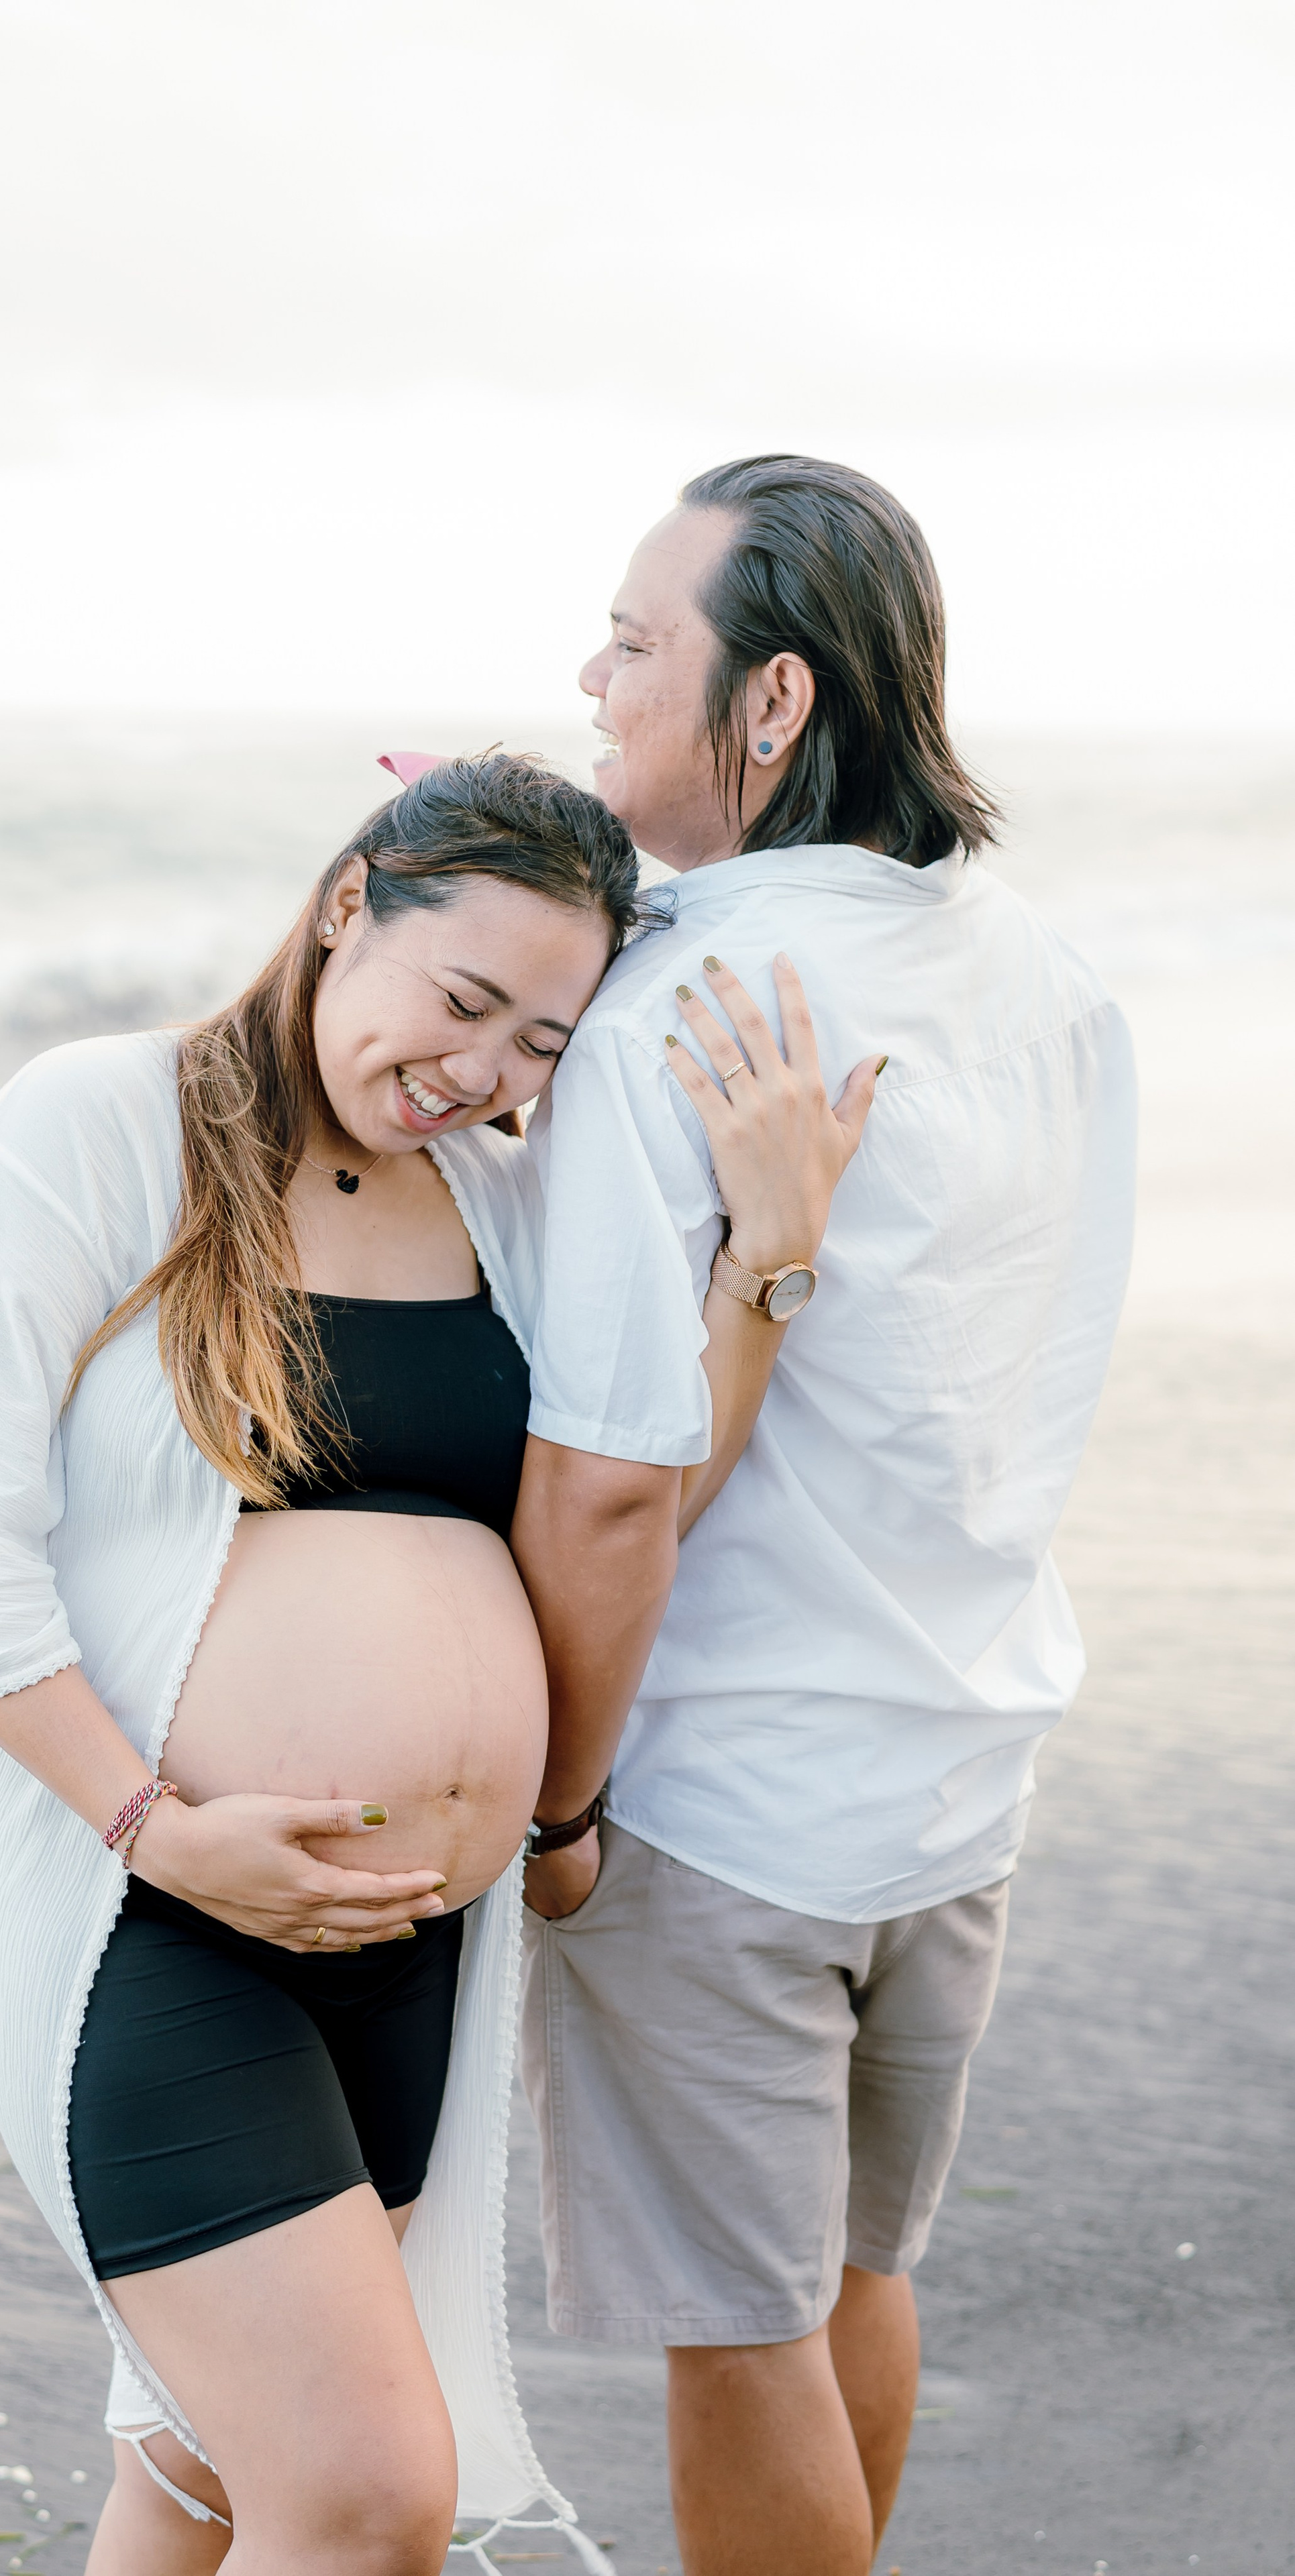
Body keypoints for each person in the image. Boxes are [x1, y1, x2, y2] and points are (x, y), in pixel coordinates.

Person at [0, 750, 880, 2576]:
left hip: (416, 1946)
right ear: (350, 905)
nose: (480, 1074)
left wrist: (765, 1267)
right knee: (360, 2495)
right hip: (148, 1919)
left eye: (541, 1046)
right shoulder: (104, 1125)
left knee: (205, 2471)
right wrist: (148, 1825)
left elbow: (620, 1493)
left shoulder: (502, 1196)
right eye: (462, 1000)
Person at [514, 456, 1137, 2576]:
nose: (588, 677)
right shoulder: (1035, 969)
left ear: (769, 705)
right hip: (957, 1749)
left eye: (635, 642)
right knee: (855, 2275)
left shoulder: (679, 1002)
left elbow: (609, 1489)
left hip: (728, 1790)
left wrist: (558, 1809)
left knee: (740, 2331)